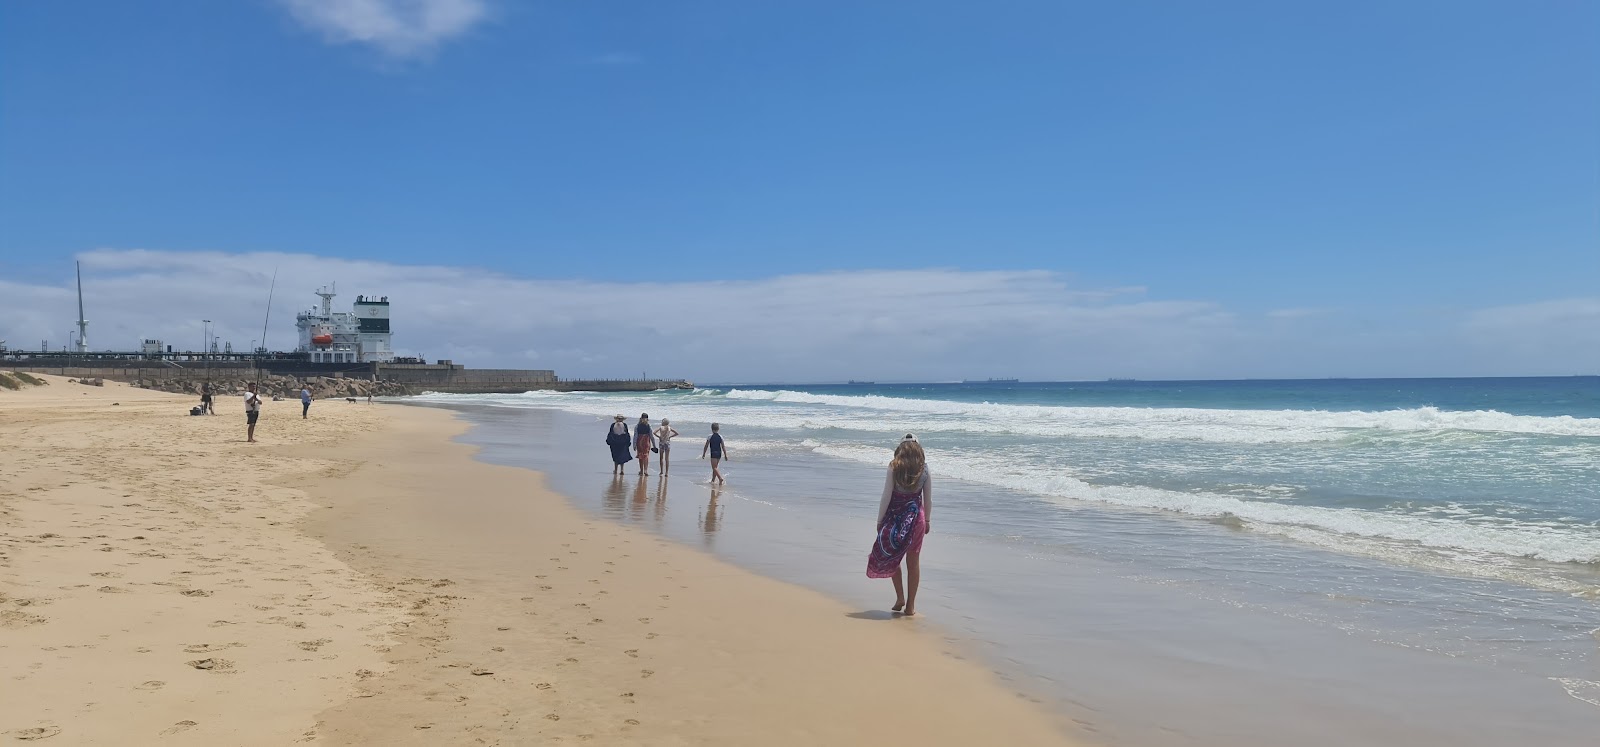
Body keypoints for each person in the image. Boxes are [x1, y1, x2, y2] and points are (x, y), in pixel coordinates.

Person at [867, 435, 932, 616]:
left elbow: (886, 495)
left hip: (895, 517)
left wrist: (880, 521)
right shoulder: (924, 469)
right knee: (914, 562)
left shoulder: (893, 467)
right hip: (916, 519)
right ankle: (910, 606)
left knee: (892, 556)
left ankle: (900, 597)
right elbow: (928, 499)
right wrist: (927, 520)